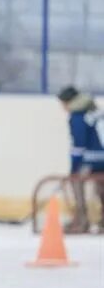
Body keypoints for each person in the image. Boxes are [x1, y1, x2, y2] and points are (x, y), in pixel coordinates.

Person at [57, 85, 104, 233]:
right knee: (101, 186)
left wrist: (74, 169)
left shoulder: (77, 116)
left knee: (76, 182)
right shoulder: (96, 111)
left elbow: (79, 145)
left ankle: (81, 221)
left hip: (91, 159)